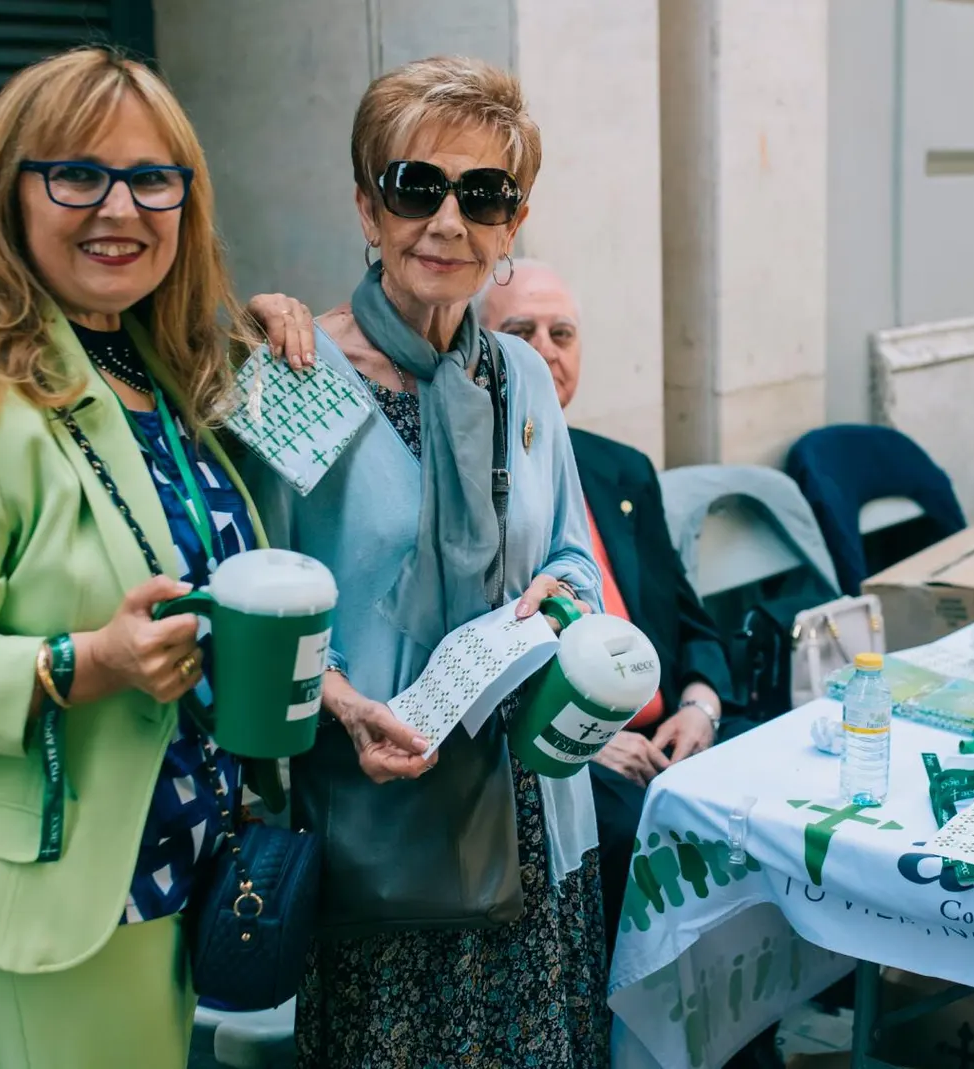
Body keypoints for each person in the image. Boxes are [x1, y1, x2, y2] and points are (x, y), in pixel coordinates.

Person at [0, 48, 270, 1069]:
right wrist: (84, 661)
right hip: (65, 895)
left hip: (182, 870)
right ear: (7, 195)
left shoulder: (156, 373)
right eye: (76, 173)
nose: (120, 208)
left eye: (152, 178)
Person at [241, 56, 609, 1068]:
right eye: (418, 187)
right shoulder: (293, 378)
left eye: (484, 195)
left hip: (536, 808)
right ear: (368, 205)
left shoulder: (524, 373)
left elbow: (574, 556)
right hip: (379, 814)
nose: (449, 221)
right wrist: (348, 706)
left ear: (511, 223)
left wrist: (559, 607)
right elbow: (258, 620)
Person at [478, 258, 733, 942]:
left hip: (668, 737)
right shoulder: (475, 486)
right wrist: (587, 744)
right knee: (643, 837)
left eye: (562, 333)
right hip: (559, 757)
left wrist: (698, 707)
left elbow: (690, 618)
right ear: (479, 349)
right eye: (521, 331)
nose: (546, 350)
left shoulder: (620, 467)